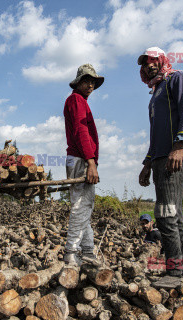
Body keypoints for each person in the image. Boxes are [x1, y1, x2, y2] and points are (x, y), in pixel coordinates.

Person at [137, 47, 183, 287]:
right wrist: (147, 163)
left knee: (163, 213)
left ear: (162, 60)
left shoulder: (178, 79)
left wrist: (179, 146)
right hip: (161, 158)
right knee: (175, 213)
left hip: (176, 156)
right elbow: (156, 134)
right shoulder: (156, 92)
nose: (148, 66)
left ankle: (174, 273)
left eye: (153, 61)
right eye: (144, 64)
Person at [63, 63, 104, 266]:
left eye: (93, 82)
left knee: (84, 206)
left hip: (78, 158)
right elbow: (81, 131)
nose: (90, 85)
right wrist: (91, 162)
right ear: (78, 82)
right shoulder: (76, 100)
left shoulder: (77, 101)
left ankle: (87, 251)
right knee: (81, 206)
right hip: (81, 159)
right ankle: (71, 252)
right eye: (86, 81)